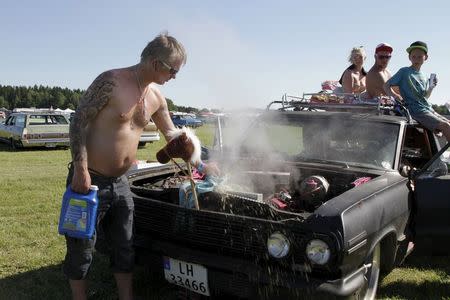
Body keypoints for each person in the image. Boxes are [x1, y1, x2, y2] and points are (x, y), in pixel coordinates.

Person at [65, 32, 217, 300]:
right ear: (156, 63)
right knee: (81, 247)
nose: (174, 76)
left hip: (121, 183)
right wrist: (80, 169)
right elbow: (78, 122)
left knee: (125, 245)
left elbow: (173, 136)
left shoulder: (157, 98)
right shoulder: (110, 82)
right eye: (173, 70)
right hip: (90, 181)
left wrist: (201, 163)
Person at [384, 41, 450, 142]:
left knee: (448, 124)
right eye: (414, 56)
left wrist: (431, 87)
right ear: (409, 57)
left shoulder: (424, 76)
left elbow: (425, 97)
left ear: (426, 57)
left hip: (427, 108)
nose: (416, 59)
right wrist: (395, 95)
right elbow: (386, 85)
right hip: (415, 110)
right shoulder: (404, 71)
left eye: (420, 57)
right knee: (445, 126)